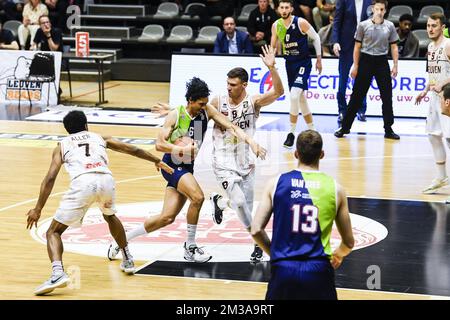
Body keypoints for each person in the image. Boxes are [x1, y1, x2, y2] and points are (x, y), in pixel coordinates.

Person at [107, 77, 267, 263]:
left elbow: (231, 126)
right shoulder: (175, 115)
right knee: (198, 197)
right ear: (191, 100)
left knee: (166, 218)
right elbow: (159, 144)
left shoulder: (206, 111)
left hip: (186, 167)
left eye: (206, 103)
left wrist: (251, 142)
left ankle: (121, 240)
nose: (204, 106)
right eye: (201, 103)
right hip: (172, 166)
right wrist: (181, 150)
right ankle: (190, 247)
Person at [26, 110, 174, 296]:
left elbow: (50, 178)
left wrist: (38, 208)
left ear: (67, 130)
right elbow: (133, 150)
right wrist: (157, 161)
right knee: (110, 216)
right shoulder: (99, 138)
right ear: (86, 125)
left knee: (53, 231)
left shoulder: (62, 145)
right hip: (106, 180)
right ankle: (127, 258)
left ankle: (57, 273)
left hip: (83, 183)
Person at [251, 130, 354, 299]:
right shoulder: (336, 189)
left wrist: (275, 254)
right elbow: (349, 243)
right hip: (318, 270)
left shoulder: (275, 183)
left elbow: (255, 230)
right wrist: (337, 255)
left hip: (283, 269)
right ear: (321, 155)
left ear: (296, 154)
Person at [209, 45, 284, 263]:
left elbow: (278, 92)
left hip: (246, 158)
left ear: (244, 85)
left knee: (246, 206)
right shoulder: (218, 101)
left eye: (233, 85)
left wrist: (272, 68)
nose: (229, 87)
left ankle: (220, 203)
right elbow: (198, 115)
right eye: (227, 83)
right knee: (241, 202)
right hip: (222, 159)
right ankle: (260, 243)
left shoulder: (253, 102)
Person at [334, 0, 400, 140]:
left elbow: (394, 47)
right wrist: (356, 65)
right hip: (365, 61)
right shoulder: (363, 25)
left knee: (387, 97)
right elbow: (357, 47)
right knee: (356, 96)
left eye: (382, 9)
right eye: (377, 9)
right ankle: (345, 127)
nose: (379, 12)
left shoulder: (390, 26)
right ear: (373, 9)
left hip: (382, 61)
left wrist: (395, 65)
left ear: (385, 11)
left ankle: (388, 129)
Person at [270, 0, 322, 148]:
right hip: (289, 64)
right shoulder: (276, 26)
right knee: (300, 99)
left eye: (287, 7)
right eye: (282, 7)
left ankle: (291, 133)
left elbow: (316, 37)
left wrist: (319, 59)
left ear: (291, 9)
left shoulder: (301, 22)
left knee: (294, 95)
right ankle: (313, 130)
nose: (285, 10)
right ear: (278, 9)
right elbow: (273, 46)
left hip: (303, 63)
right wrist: (271, 59)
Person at [415, 13, 450, 194]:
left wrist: (442, 85)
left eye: (434, 25)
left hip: (448, 98)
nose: (430, 29)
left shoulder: (448, 45)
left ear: (442, 27)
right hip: (434, 97)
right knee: (433, 135)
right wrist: (425, 90)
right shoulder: (429, 46)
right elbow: (433, 74)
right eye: (428, 25)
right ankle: (441, 176)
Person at [332, 0, 372, 125]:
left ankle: (361, 110)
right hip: (346, 45)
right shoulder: (343, 1)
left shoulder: (369, 2)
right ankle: (342, 110)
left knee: (362, 79)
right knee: (343, 79)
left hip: (365, 45)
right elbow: (337, 22)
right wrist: (335, 41)